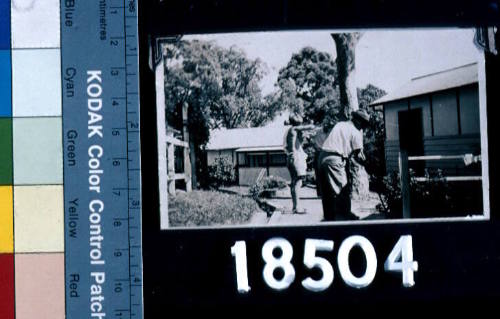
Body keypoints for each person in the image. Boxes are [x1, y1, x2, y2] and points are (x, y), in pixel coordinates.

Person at [318, 109, 370, 221]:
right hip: (334, 159)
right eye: (364, 125)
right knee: (343, 190)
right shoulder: (355, 132)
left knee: (327, 193)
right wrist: (368, 166)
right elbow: (358, 157)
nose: (364, 128)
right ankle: (346, 217)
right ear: (359, 121)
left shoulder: (340, 124)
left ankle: (329, 218)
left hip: (322, 157)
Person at [284, 113, 315, 214]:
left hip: (292, 157)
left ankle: (295, 206)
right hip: (295, 158)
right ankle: (297, 207)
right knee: (298, 183)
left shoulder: (291, 131)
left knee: (295, 183)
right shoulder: (294, 129)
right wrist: (311, 124)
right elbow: (310, 127)